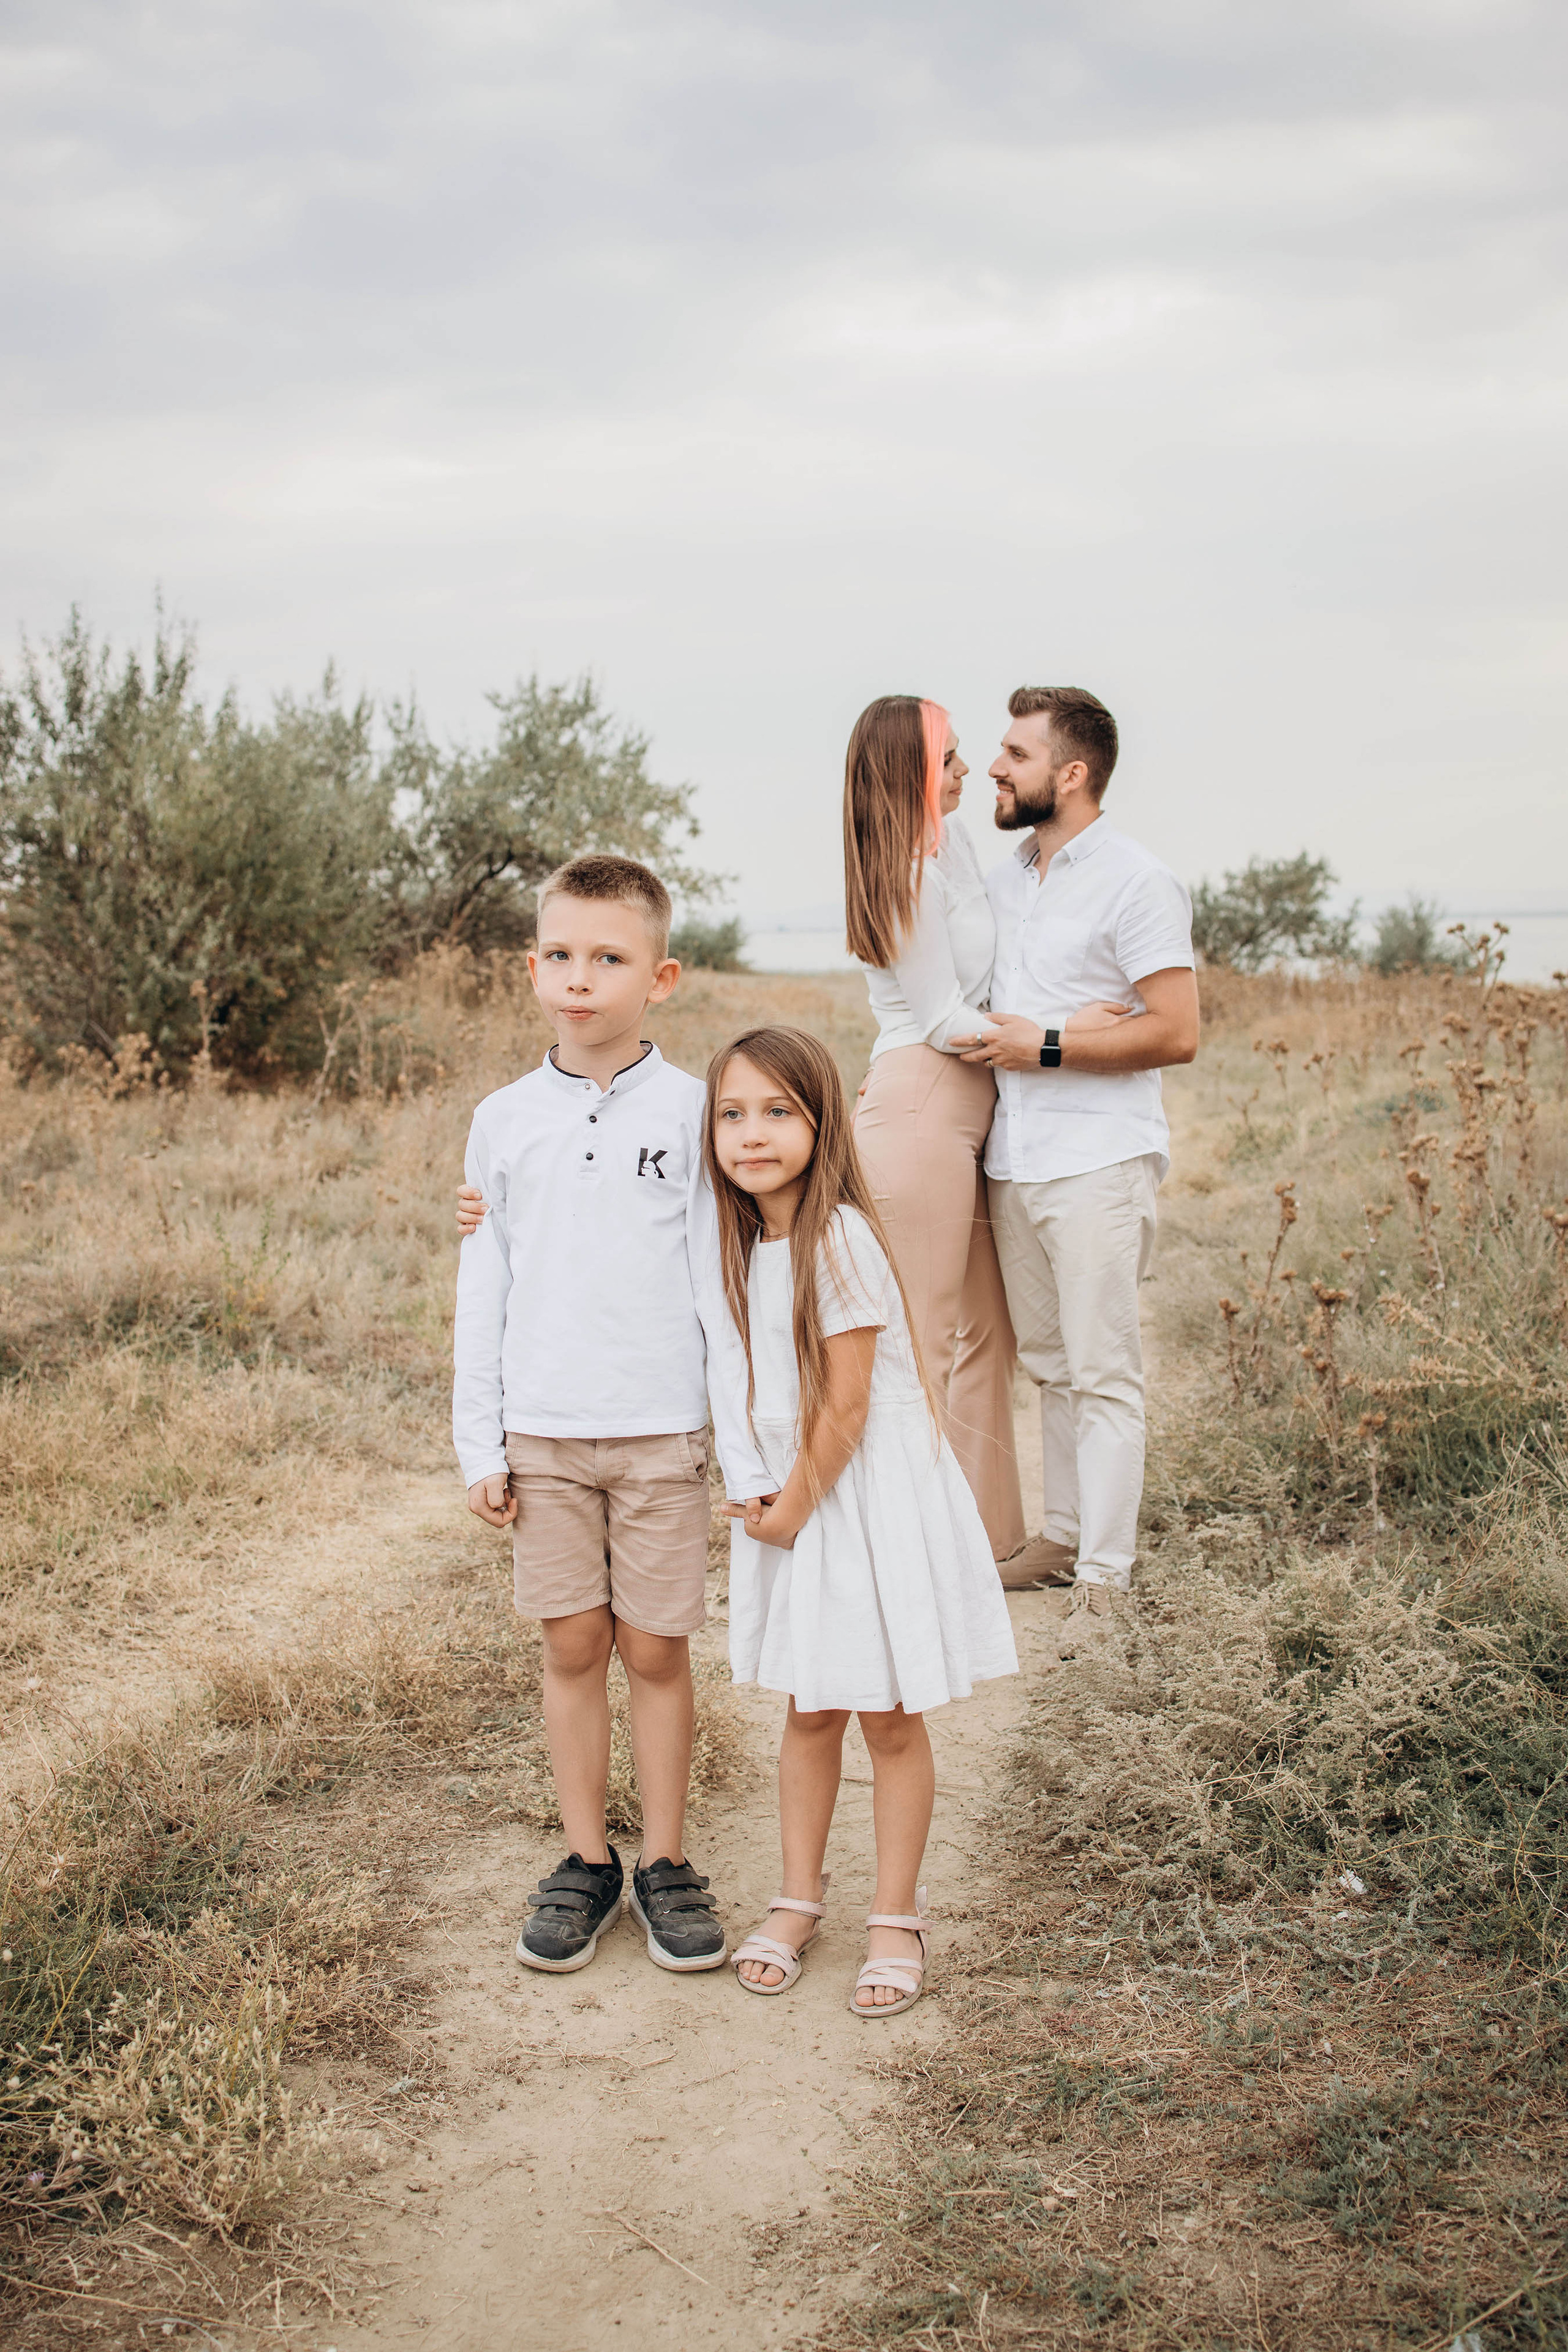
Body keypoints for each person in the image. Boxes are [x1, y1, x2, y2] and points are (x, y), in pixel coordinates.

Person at [453, 853, 775, 1975]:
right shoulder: (500, 1121)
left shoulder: (697, 1116)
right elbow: (482, 1285)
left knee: (656, 1645)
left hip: (659, 1432)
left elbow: (718, 1292)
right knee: (574, 1643)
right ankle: (586, 1859)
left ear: (662, 976)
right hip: (544, 1430)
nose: (579, 978)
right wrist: (477, 1443)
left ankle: (668, 1860)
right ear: (530, 967)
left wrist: (741, 1451)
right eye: (559, 955)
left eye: (609, 957)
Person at [709, 1025, 1017, 2013]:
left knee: (885, 1711)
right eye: (730, 1114)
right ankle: (799, 1897)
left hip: (855, 1499)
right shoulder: (741, 1239)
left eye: (777, 1112)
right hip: (797, 1500)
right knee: (808, 1707)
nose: (751, 1134)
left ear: (822, 1121)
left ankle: (896, 1912)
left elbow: (844, 1410)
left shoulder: (835, 1234)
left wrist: (788, 1513)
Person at [958, 687, 1199, 1645]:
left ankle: (1107, 1573)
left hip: (1099, 1158)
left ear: (1072, 773)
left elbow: (1176, 1031)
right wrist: (1051, 1034)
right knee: (1052, 1365)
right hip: (1015, 1157)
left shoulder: (1139, 882)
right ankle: (1059, 1539)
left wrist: (1052, 1044)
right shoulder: (1007, 875)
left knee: (1103, 1372)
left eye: (1014, 753)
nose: (994, 767)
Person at [843, 695, 1029, 1575]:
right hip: (923, 1104)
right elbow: (946, 1019)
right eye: (948, 758)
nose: (965, 772)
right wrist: (1057, 1038)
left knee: (991, 1330)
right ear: (909, 772)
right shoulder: (901, 873)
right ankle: (903, 1549)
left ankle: (983, 1544)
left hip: (965, 1110)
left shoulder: (950, 843)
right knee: (924, 1342)